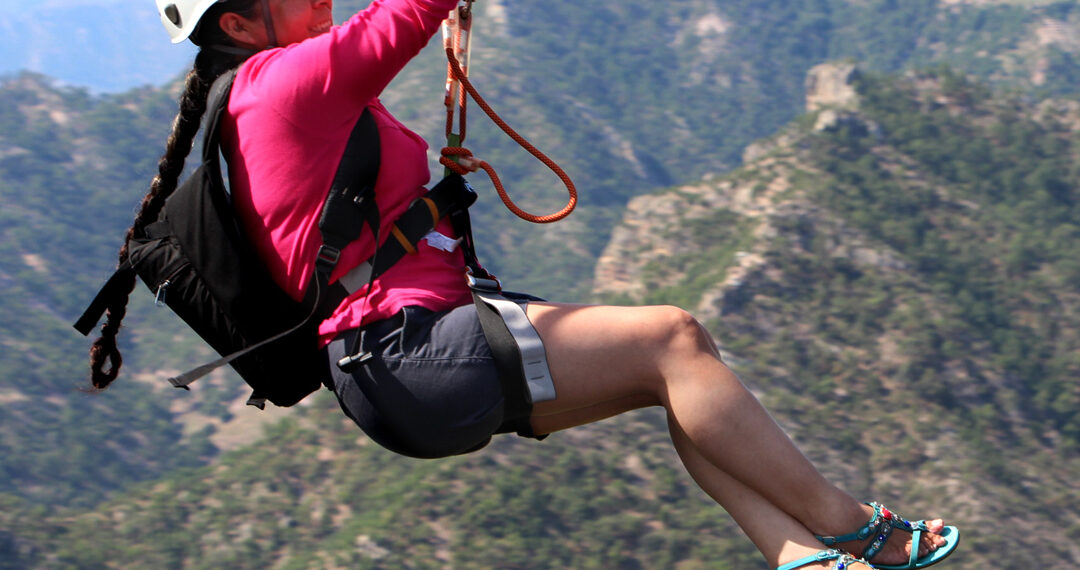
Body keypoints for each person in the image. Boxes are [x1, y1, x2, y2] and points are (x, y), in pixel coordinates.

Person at [88, 1, 960, 568]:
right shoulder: (283, 81)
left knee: (674, 375)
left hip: (395, 368)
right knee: (675, 339)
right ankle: (855, 527)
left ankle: (799, 555)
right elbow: (408, 13)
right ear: (243, 24)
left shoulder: (258, 98)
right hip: (413, 349)